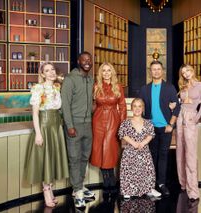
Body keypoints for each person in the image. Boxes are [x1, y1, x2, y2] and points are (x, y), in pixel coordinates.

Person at [24, 62, 69, 207]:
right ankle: (46, 191)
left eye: (53, 70)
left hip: (56, 125)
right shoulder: (38, 88)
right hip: (44, 125)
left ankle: (50, 190)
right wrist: (38, 133)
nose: (51, 72)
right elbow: (35, 113)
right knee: (45, 159)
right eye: (47, 70)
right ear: (42, 74)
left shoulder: (57, 87)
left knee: (52, 158)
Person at [139, 60, 180, 196]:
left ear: (162, 71)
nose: (156, 71)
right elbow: (140, 108)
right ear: (150, 71)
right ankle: (150, 183)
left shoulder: (169, 87)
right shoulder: (145, 89)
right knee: (151, 155)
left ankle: (161, 183)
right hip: (151, 128)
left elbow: (176, 107)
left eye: (158, 69)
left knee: (163, 156)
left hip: (165, 128)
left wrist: (171, 124)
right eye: (153, 69)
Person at [61, 51, 95, 208]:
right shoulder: (69, 79)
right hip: (74, 125)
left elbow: (90, 103)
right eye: (84, 60)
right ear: (78, 61)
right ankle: (77, 191)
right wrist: (70, 126)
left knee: (84, 157)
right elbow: (65, 105)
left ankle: (79, 186)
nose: (87, 62)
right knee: (74, 159)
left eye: (89, 60)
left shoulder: (90, 79)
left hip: (88, 125)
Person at [90, 62, 127, 189]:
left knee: (110, 149)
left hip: (113, 120)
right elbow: (92, 105)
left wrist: (123, 126)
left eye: (108, 70)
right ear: (100, 73)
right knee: (99, 148)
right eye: (104, 71)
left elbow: (122, 107)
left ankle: (111, 177)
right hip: (98, 119)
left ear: (112, 72)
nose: (106, 73)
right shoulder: (96, 86)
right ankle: (106, 179)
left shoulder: (118, 86)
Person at [118, 98, 161, 199]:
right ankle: (127, 190)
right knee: (129, 170)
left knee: (148, 170)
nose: (137, 108)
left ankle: (149, 189)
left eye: (139, 106)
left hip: (144, 151)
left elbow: (151, 134)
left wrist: (143, 142)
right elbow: (122, 134)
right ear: (131, 108)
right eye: (135, 106)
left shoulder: (148, 122)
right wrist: (133, 143)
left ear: (143, 109)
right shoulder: (126, 123)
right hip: (130, 152)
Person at [175, 64, 201, 202]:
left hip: (191, 117)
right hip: (180, 116)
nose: (186, 74)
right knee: (180, 151)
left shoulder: (200, 85)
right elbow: (180, 102)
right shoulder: (183, 86)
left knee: (191, 153)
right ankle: (183, 184)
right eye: (183, 72)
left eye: (187, 71)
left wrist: (196, 118)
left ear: (192, 70)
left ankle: (193, 190)